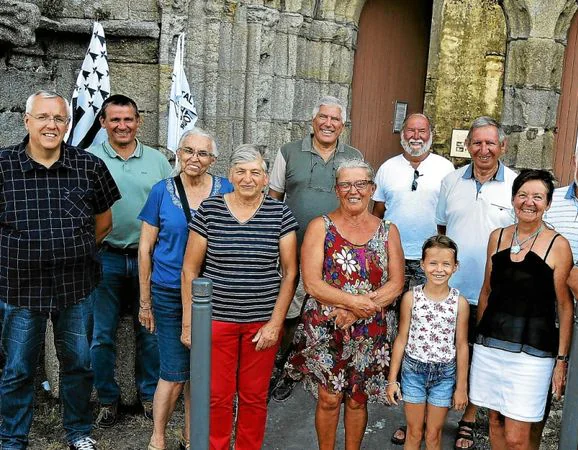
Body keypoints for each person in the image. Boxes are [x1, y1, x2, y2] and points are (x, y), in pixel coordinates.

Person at [0, 90, 120, 450]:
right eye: (43, 117)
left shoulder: (89, 165)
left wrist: (74, 250)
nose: (51, 125)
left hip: (76, 286)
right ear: (27, 121)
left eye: (59, 118)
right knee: (18, 369)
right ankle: (12, 439)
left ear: (68, 124)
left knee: (79, 365)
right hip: (20, 288)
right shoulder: (3, 166)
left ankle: (79, 432)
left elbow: (104, 223)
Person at [181, 144, 298, 450]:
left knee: (254, 397)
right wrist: (189, 322)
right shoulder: (210, 210)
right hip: (216, 321)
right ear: (230, 175)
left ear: (264, 178)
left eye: (256, 172)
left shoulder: (279, 213)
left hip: (262, 323)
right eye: (242, 172)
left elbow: (290, 272)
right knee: (216, 396)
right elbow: (190, 269)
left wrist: (276, 323)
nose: (248, 179)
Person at [285, 159, 404, 450]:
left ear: (372, 189)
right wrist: (353, 304)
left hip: (369, 331)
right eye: (346, 184)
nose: (354, 190)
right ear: (336, 190)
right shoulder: (319, 227)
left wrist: (357, 309)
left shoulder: (388, 230)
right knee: (329, 398)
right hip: (327, 328)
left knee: (357, 399)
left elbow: (396, 284)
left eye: (361, 184)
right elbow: (312, 283)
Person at [139, 128, 233, 450]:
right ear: (178, 153)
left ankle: (193, 438)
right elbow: (145, 248)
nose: (195, 158)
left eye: (203, 153)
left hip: (215, 294)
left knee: (202, 373)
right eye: (188, 151)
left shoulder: (226, 189)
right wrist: (144, 301)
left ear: (213, 160)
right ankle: (158, 437)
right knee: (174, 372)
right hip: (168, 291)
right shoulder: (161, 192)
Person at [470, 169, 573, 449]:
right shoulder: (498, 237)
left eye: (538, 197)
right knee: (494, 422)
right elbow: (487, 291)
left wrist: (561, 361)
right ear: (513, 199)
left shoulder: (558, 245)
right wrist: (479, 339)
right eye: (523, 195)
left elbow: (564, 306)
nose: (529, 202)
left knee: (518, 436)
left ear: (548, 204)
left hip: (532, 353)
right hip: (490, 346)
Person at [268, 96, 363, 401]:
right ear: (313, 120)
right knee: (288, 310)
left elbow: (358, 202)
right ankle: (279, 368)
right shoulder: (289, 152)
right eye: (323, 117)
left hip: (337, 255)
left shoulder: (353, 156)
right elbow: (273, 201)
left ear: (342, 125)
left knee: (327, 312)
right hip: (292, 250)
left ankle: (312, 369)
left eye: (335, 119)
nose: (328, 123)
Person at [85, 94, 172, 427]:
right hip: (105, 258)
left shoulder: (158, 162)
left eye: (129, 119)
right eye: (115, 119)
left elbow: (170, 206)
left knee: (149, 332)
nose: (122, 125)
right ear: (103, 123)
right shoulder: (88, 158)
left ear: (139, 121)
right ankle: (107, 398)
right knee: (101, 334)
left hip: (148, 259)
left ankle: (149, 395)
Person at [435, 116, 517, 449]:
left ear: (503, 146)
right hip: (450, 289)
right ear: (468, 146)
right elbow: (442, 229)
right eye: (477, 143)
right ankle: (434, 412)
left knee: (480, 355)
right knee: (444, 352)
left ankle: (468, 417)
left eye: (490, 143)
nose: (484, 150)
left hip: (493, 292)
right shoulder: (451, 181)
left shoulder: (516, 184)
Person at [372, 112, 453, 445]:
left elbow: (447, 219)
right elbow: (375, 213)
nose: (416, 135)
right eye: (410, 130)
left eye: (422, 130)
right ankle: (405, 407)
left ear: (431, 134)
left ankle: (422, 415)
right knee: (395, 331)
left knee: (426, 331)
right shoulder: (387, 167)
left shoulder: (446, 168)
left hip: (429, 261)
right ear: (402, 133)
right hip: (392, 258)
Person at [386, 235, 469, 450]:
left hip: (445, 375)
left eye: (446, 264)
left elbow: (461, 345)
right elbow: (401, 338)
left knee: (434, 434)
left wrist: (461, 386)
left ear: (455, 266)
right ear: (422, 265)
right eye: (432, 263)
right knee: (414, 432)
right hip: (413, 371)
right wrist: (392, 379)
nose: (439, 269)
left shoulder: (460, 303)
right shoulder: (411, 298)